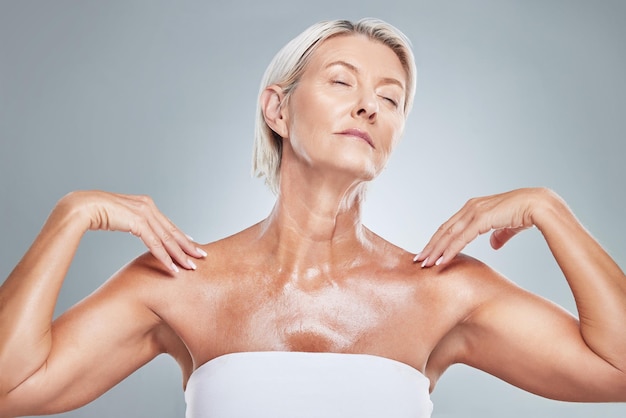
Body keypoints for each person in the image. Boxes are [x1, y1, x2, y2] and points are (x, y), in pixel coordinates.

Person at [1, 17, 625, 418]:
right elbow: (11, 385)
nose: (369, 107)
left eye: (390, 98)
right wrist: (69, 216)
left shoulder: (443, 291)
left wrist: (551, 210)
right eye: (341, 82)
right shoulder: (180, 282)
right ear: (277, 109)